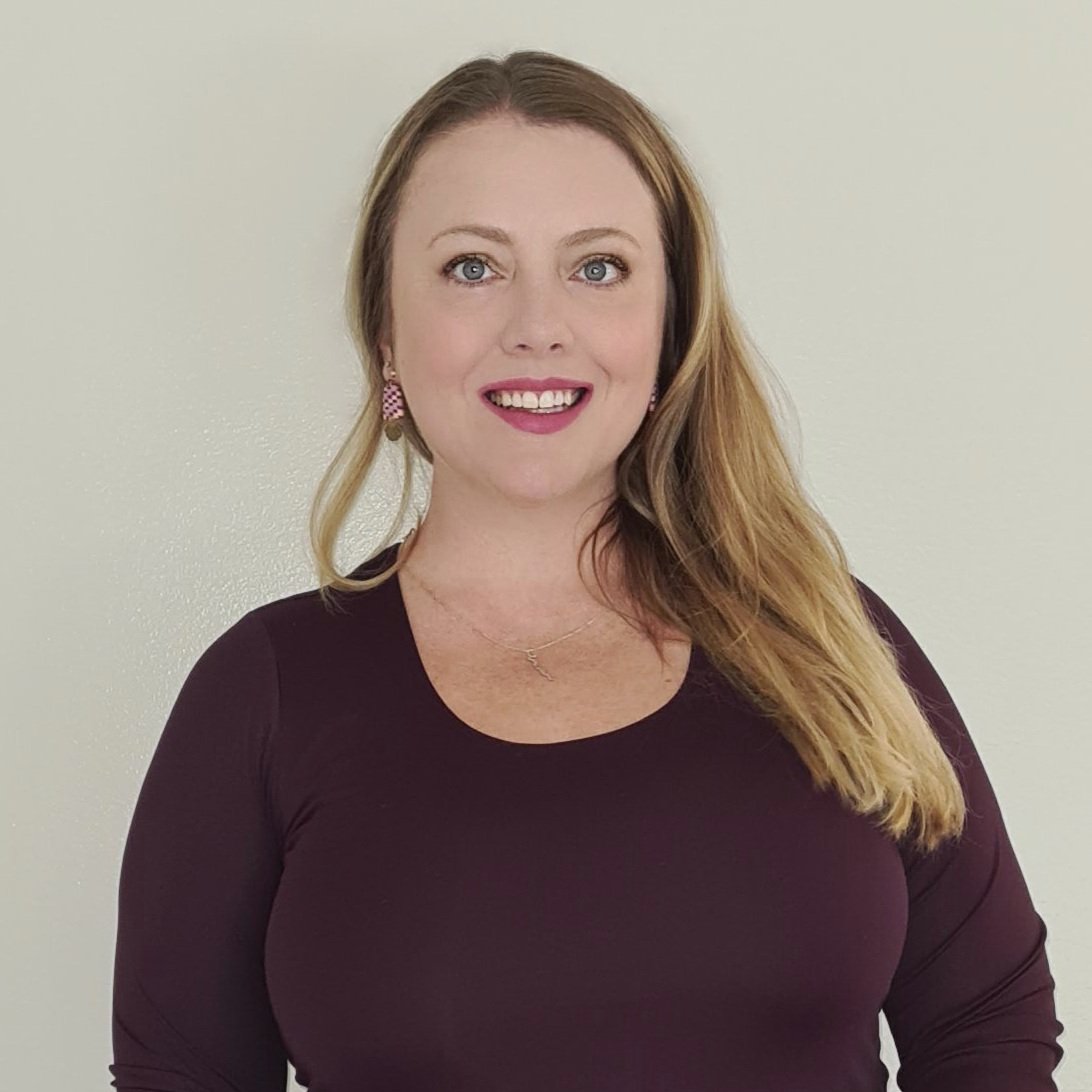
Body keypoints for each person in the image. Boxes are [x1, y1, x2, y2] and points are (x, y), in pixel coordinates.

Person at [109, 49, 1064, 1091]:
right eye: (472, 267)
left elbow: (988, 1027)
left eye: (598, 267)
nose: (537, 326)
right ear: (387, 334)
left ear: (667, 328)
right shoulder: (267, 694)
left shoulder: (826, 640)